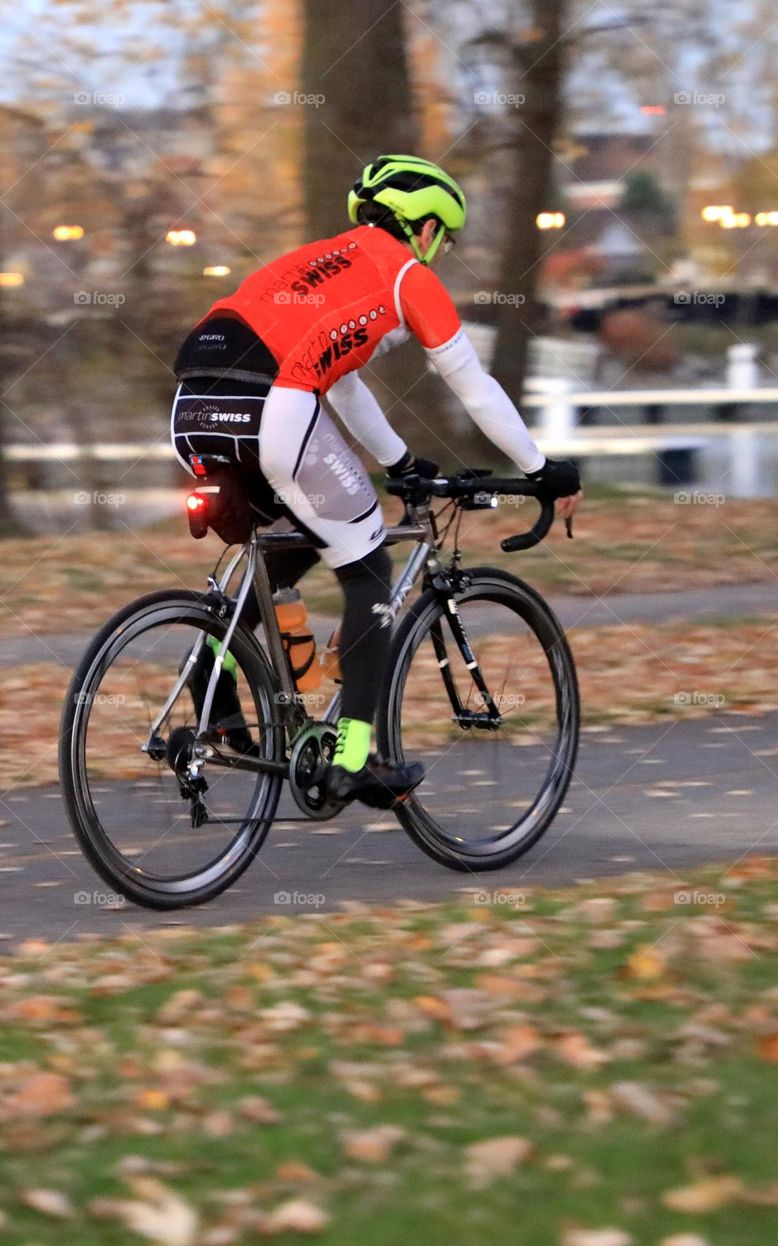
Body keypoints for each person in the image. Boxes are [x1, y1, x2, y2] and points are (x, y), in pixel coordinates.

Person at [171, 154, 582, 807]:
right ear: (423, 229)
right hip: (271, 404)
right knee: (367, 571)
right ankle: (355, 757)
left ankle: (216, 691)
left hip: (194, 402)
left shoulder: (324, 260)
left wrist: (397, 462)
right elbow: (474, 387)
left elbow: (346, 383)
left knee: (296, 538)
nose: (439, 253)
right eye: (441, 240)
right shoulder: (408, 277)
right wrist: (542, 469)